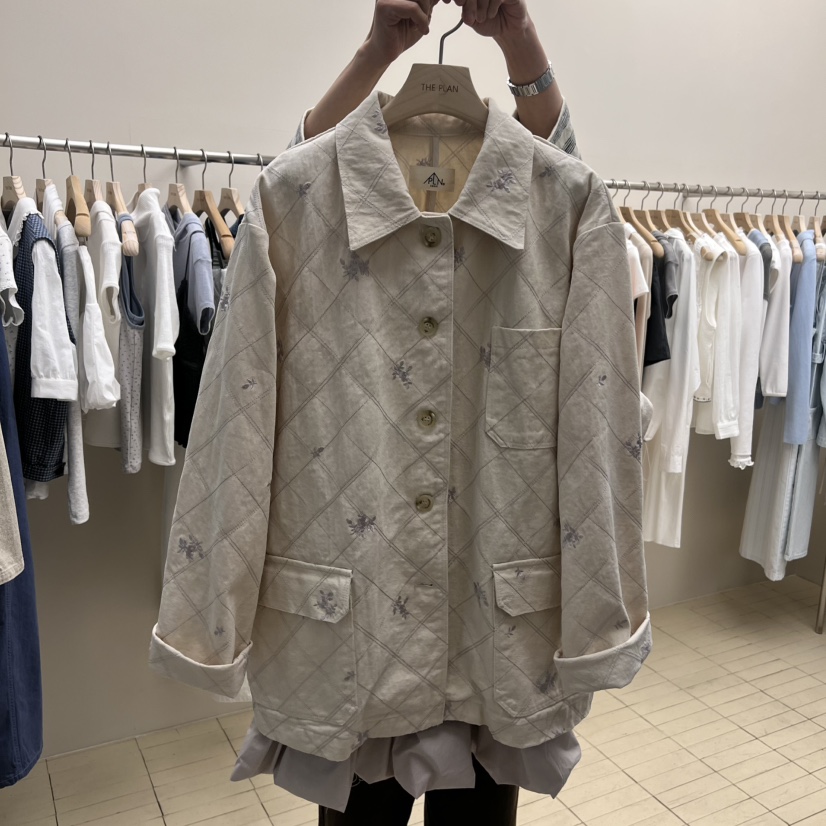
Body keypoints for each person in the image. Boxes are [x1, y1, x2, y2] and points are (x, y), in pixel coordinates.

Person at [283, 2, 582, 823]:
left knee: (481, 804)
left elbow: (567, 177)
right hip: (364, 601)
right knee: (362, 808)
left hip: (490, 607)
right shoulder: (318, 196)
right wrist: (376, 52)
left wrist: (519, 38)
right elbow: (294, 178)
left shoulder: (553, 203)